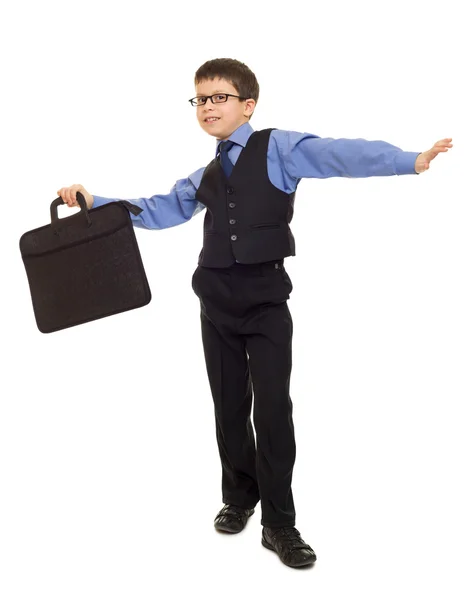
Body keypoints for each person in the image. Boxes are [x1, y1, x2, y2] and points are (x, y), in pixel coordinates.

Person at [57, 57, 453, 569]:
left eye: (219, 97)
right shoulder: (206, 173)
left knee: (271, 410)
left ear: (248, 105)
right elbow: (157, 210)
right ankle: (240, 497)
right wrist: (96, 201)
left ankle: (280, 522)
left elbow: (338, 155)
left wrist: (409, 159)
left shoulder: (279, 148)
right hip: (214, 301)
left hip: (266, 301)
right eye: (200, 99)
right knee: (227, 407)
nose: (207, 107)